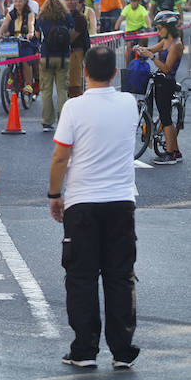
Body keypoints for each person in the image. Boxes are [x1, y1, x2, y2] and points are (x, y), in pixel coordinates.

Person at [48, 46, 140, 369]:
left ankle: (84, 350)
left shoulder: (74, 108)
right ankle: (123, 351)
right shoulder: (129, 104)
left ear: (84, 72)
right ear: (115, 73)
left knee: (81, 277)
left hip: (82, 202)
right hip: (121, 200)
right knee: (120, 276)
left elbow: (60, 156)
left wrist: (53, 195)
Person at [135, 11, 184, 164]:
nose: (158, 30)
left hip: (167, 82)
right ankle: (175, 151)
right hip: (160, 81)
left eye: (160, 27)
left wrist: (152, 57)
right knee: (165, 116)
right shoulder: (165, 41)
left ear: (169, 27)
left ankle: (170, 154)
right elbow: (151, 51)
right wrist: (141, 50)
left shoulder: (176, 44)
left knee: (166, 118)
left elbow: (167, 68)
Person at [36, 0, 75, 131]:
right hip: (63, 56)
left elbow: (37, 35)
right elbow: (71, 32)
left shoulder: (42, 17)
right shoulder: (66, 16)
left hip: (46, 56)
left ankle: (47, 121)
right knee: (62, 90)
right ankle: (63, 120)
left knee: (46, 90)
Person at [0, 0, 38, 96]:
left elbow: (31, 24)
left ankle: (28, 84)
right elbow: (5, 24)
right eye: (15, 1)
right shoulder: (11, 13)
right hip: (13, 39)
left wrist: (30, 33)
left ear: (24, 2)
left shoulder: (29, 13)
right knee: (10, 60)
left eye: (20, 1)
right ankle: (10, 76)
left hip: (26, 40)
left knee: (25, 61)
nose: (18, 3)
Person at [64, 0, 91, 98]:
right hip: (63, 53)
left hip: (75, 52)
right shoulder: (62, 16)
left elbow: (71, 39)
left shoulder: (80, 18)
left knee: (74, 86)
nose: (70, 2)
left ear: (77, 2)